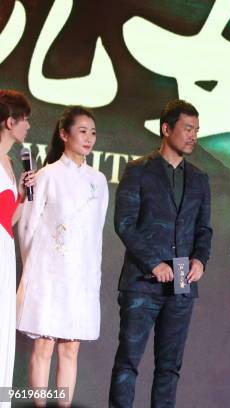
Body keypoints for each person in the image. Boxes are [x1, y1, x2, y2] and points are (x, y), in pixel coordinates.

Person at [109, 99, 213, 408]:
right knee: (128, 362)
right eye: (187, 129)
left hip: (182, 279)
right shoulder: (138, 169)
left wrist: (200, 260)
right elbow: (124, 223)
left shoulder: (199, 178)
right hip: (142, 281)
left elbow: (203, 229)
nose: (193, 136)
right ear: (166, 129)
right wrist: (153, 263)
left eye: (196, 130)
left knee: (170, 366)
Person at [16, 105, 108, 406]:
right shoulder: (47, 175)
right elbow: (28, 226)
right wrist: (36, 268)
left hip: (80, 277)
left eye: (92, 132)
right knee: (43, 347)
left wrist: (91, 273)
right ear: (64, 133)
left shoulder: (98, 180)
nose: (89, 138)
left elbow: (96, 234)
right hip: (48, 274)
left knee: (71, 349)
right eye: (82, 131)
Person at [0, 90, 35, 408]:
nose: (27, 127)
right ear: (10, 121)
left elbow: (8, 220)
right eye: (24, 120)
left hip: (5, 251)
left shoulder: (10, 160)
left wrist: (24, 195)